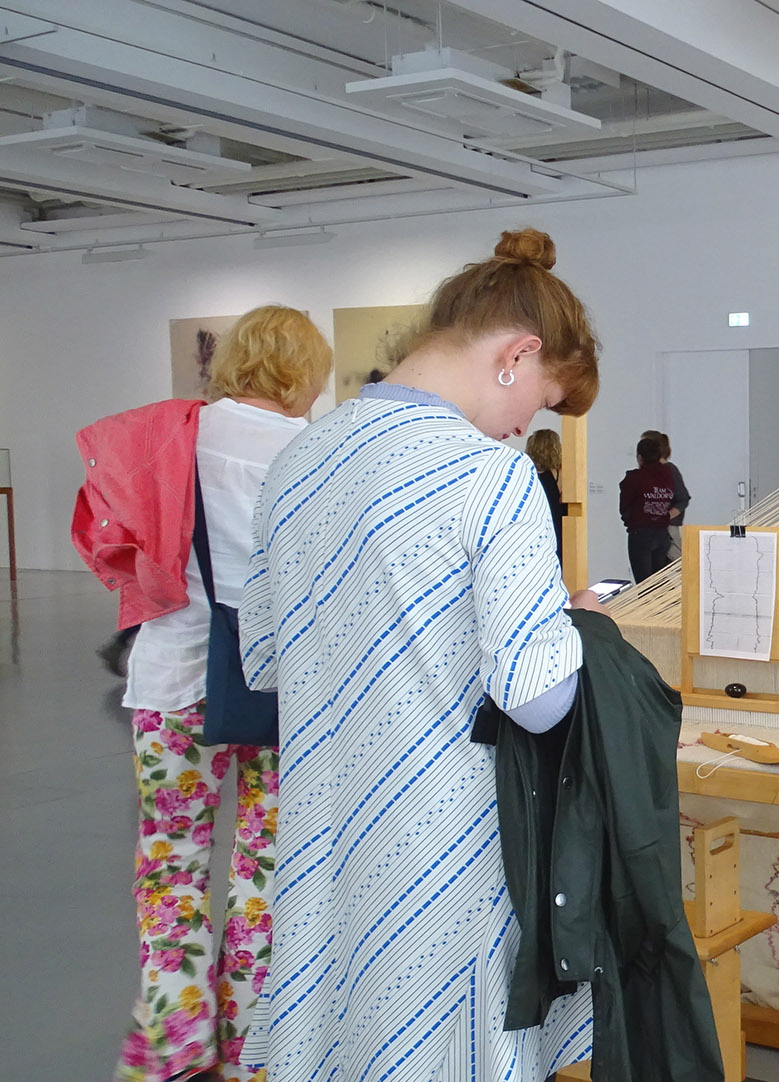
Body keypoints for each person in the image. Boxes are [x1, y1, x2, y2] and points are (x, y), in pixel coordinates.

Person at [239, 229, 606, 1082]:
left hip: (326, 831)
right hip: (445, 843)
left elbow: (267, 657)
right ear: (516, 356)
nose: (524, 427)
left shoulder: (298, 460)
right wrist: (573, 628)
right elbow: (536, 698)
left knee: (343, 1040)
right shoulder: (491, 477)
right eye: (541, 403)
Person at [99, 305, 332, 1082]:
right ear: (305, 373)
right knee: (267, 859)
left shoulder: (172, 437)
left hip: (172, 679)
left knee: (171, 860)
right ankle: (252, 1045)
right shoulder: (315, 451)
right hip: (279, 687)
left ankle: (176, 1042)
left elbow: (124, 549)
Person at [620, 436, 679, 582]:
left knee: (644, 584)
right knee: (658, 585)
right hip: (662, 534)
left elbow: (624, 507)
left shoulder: (634, 478)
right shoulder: (668, 476)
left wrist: (631, 519)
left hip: (641, 535)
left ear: (640, 457)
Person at [640, 428, 689, 560]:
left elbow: (683, 498)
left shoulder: (669, 470)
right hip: (651, 529)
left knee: (670, 563)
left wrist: (666, 517)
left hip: (667, 530)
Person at [526, 427, 565, 564]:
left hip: (533, 521)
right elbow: (564, 498)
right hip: (557, 522)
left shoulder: (527, 470)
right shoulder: (559, 472)